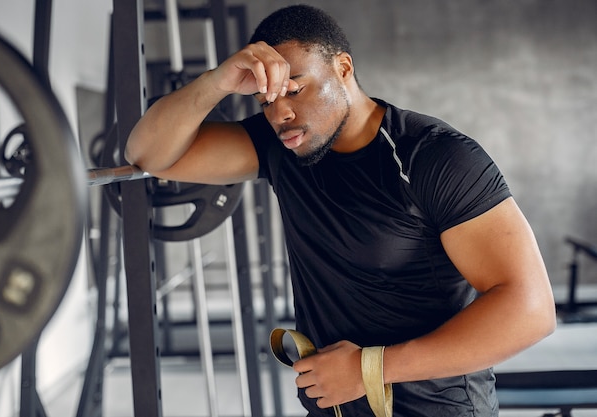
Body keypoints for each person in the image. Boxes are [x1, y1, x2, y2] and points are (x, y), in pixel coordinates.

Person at [125, 4, 556, 416]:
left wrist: (370, 369)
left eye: (294, 89)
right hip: (335, 407)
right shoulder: (280, 146)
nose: (280, 113)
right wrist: (217, 81)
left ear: (343, 68)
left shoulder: (433, 158)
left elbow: (529, 310)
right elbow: (148, 154)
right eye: (264, 100)